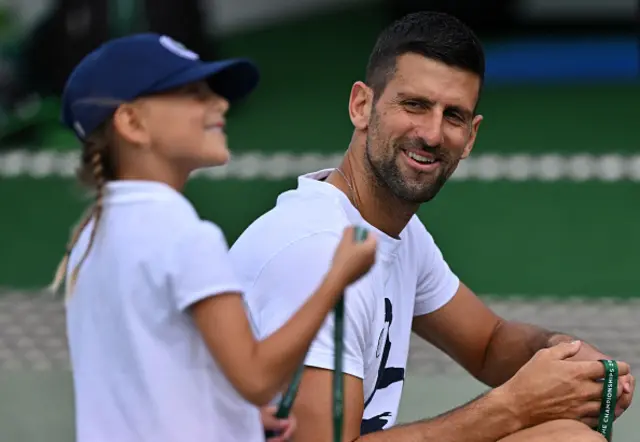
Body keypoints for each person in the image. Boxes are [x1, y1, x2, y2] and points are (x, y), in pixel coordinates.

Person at [228, 11, 635, 442]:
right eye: (415, 105)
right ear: (361, 105)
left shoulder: (391, 230)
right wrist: (512, 406)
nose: (433, 133)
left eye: (454, 115)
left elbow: (488, 344)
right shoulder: (315, 252)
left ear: (471, 136)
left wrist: (563, 355)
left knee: (567, 438)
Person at [49, 33, 377, 442]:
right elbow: (256, 378)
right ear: (132, 123)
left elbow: (148, 376)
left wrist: (232, 414)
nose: (219, 104)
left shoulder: (91, 236)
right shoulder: (187, 237)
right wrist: (335, 279)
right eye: (192, 94)